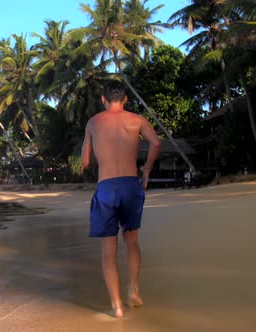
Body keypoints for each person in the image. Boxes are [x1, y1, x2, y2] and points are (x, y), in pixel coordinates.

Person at [81, 79, 161, 318]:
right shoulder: (137, 120)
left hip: (106, 187)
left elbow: (85, 162)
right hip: (130, 185)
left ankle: (117, 307)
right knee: (132, 241)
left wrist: (100, 155)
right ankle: (134, 289)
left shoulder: (93, 122)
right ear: (125, 99)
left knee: (108, 252)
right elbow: (156, 142)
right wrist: (146, 169)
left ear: (103, 100)